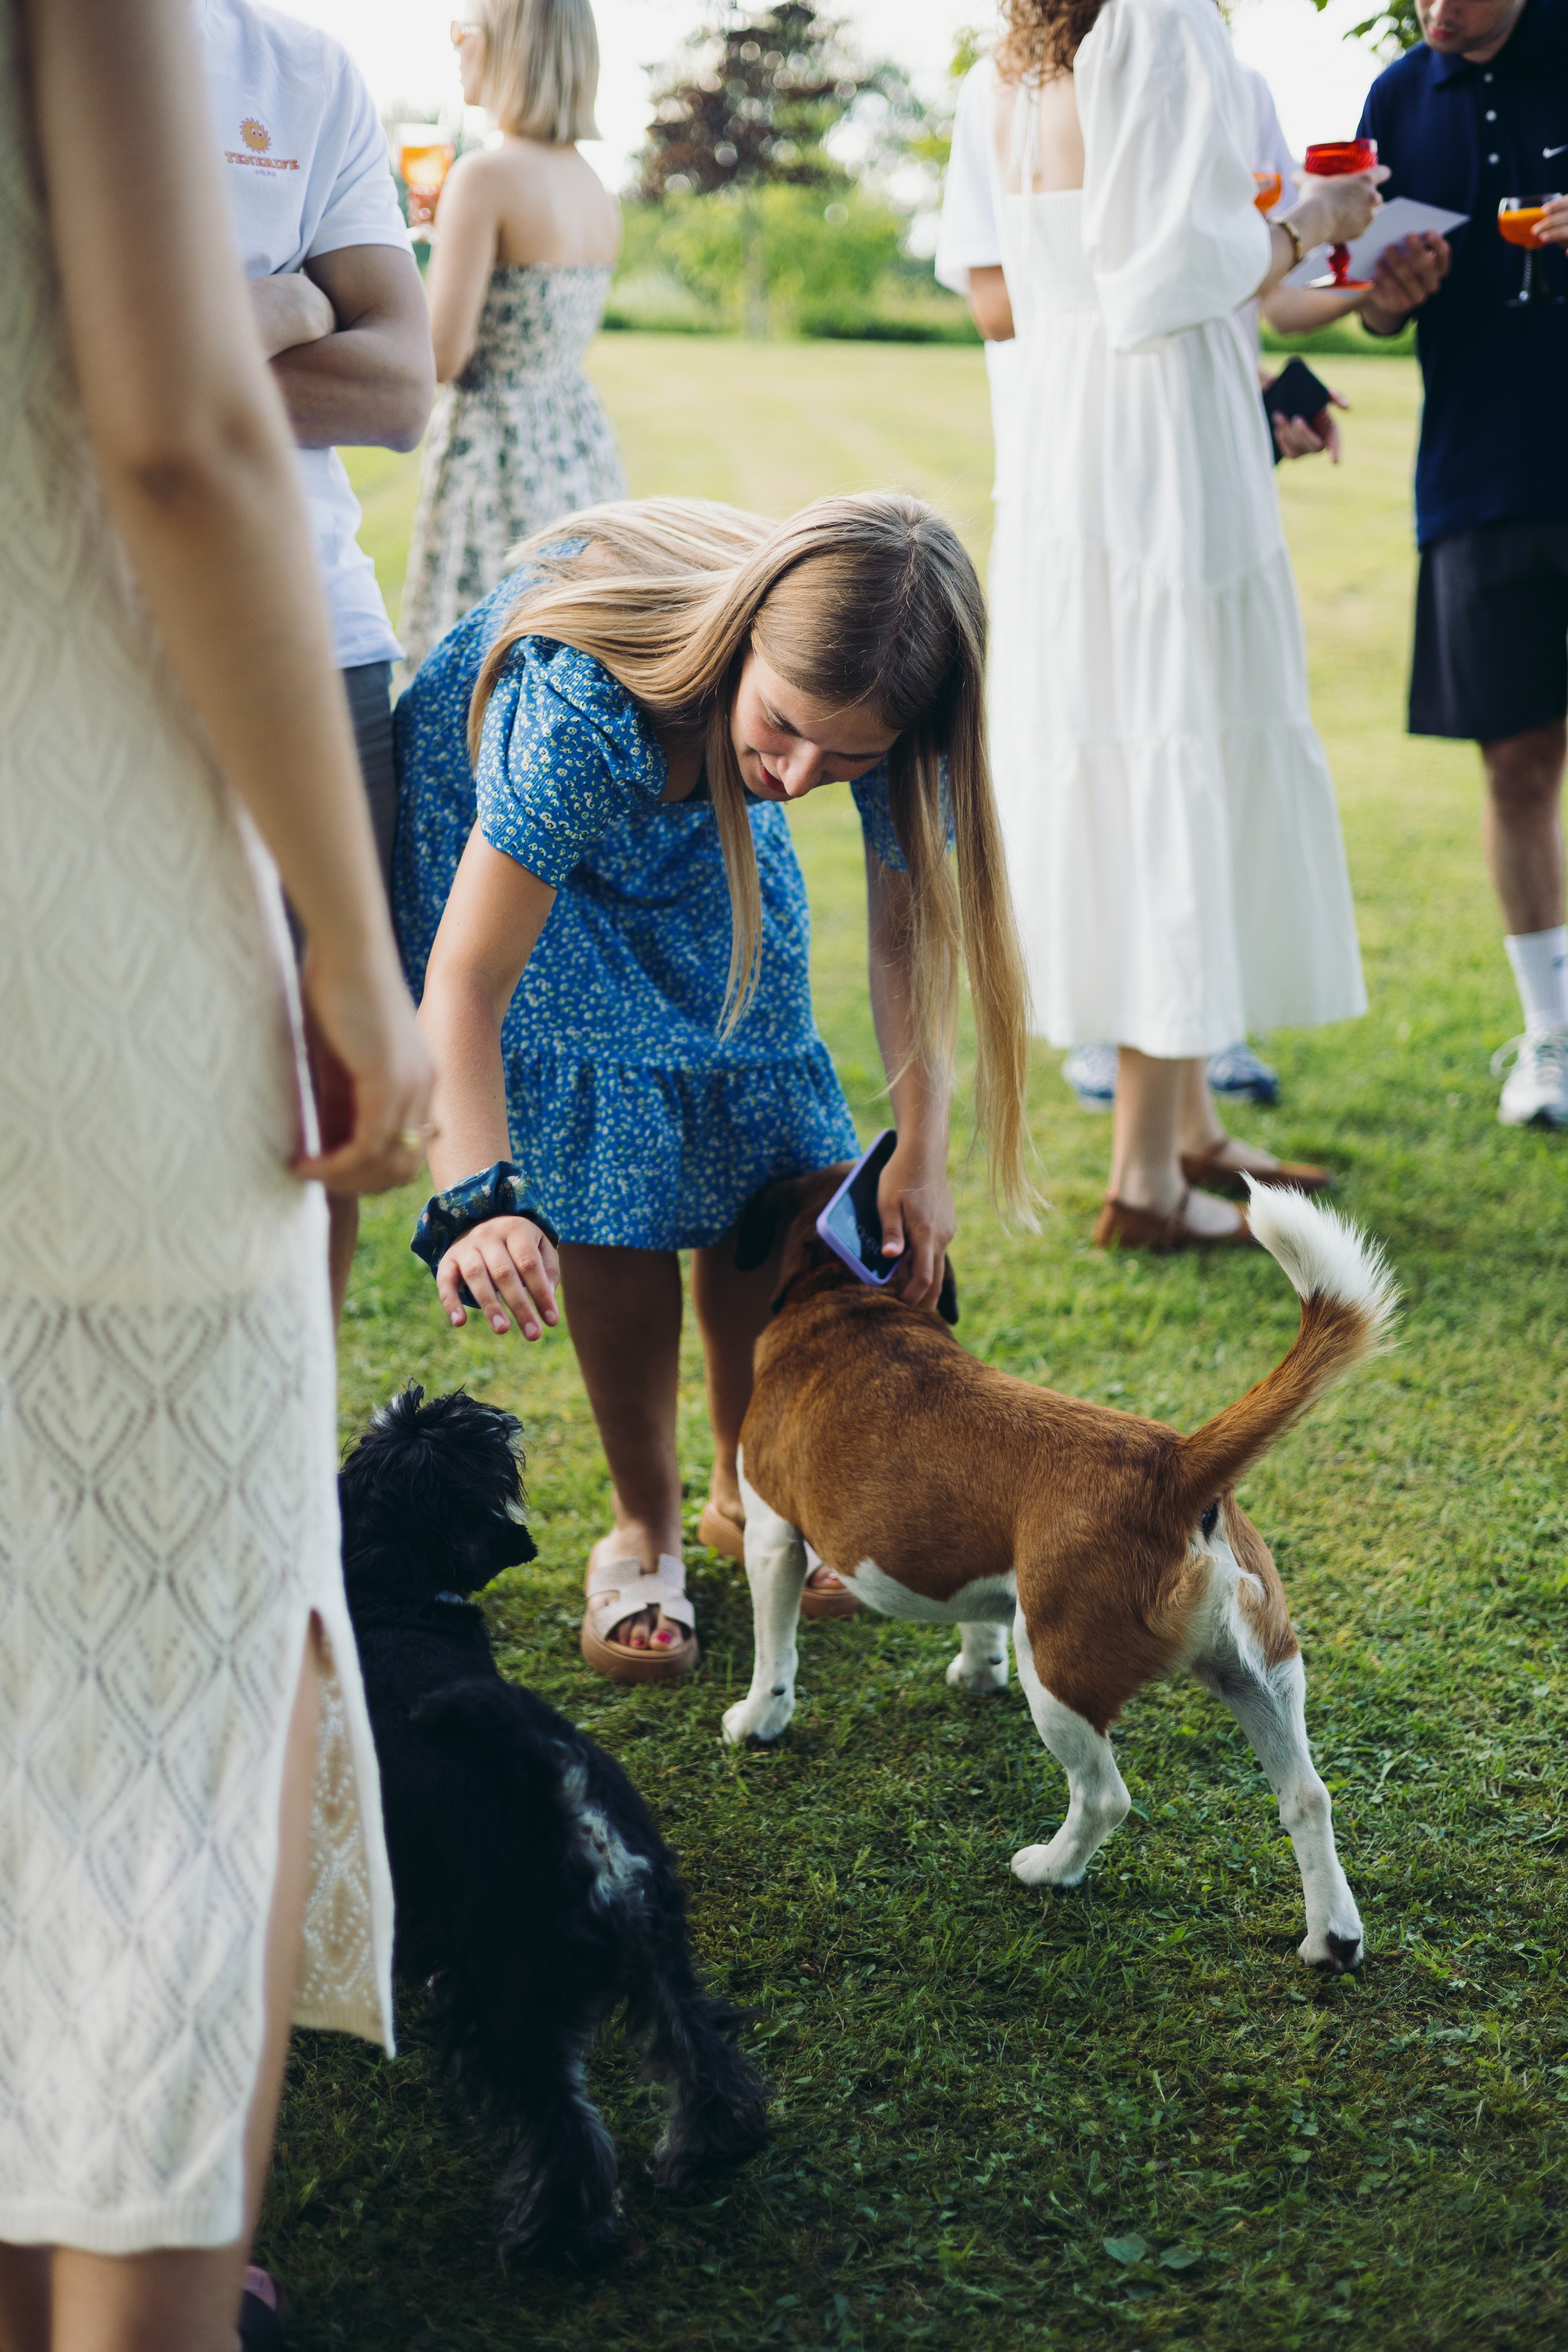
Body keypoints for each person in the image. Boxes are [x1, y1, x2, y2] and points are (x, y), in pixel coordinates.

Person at [0, 0, 433, 2343]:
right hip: (79, 904)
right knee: (190, 1680)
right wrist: (355, 967)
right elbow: (173, 427)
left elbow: (393, 373)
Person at [394, 494, 1031, 1679]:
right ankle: (644, 1527)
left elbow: (906, 943)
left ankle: (757, 1488)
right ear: (745, 642)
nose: (801, 776)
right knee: (615, 1170)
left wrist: (926, 1157)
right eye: (787, 728)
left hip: (700, 816)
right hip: (526, 846)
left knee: (758, 1144)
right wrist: (477, 1195)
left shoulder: (876, 719)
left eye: (850, 759)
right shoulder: (583, 708)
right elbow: (467, 982)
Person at [976, 0, 1378, 1250]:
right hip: (1156, 448)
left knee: (1154, 742)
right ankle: (1144, 1181)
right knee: (1170, 748)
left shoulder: (1026, 57)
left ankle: (1190, 1125)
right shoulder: (1161, 19)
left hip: (1075, 433)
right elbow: (1177, 268)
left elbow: (1077, 274)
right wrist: (1318, 220)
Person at [201, 0, 437, 1315]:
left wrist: (189, 350)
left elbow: (398, 386)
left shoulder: (302, 69)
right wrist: (288, 307)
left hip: (320, 647)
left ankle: (296, 1459)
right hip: (80, 652)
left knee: (321, 1094)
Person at [1352, 0, 1568, 1129]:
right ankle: (1554, 1041)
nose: (1434, 9)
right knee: (1518, 765)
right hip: (1482, 478)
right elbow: (1370, 308)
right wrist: (1386, 302)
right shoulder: (1396, 97)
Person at [398, 0, 627, 671]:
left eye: (463, 29)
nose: (455, 43)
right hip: (575, 444)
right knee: (565, 653)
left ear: (507, 50)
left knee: (476, 668)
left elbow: (442, 354)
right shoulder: (595, 187)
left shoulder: (485, 177)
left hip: (494, 450)